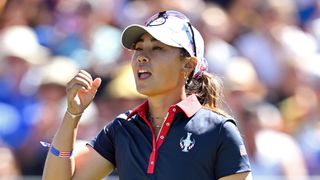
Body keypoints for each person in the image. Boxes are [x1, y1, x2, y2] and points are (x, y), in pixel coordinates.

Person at [43, 10, 252, 180]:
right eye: (139, 48)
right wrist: (72, 115)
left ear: (188, 65)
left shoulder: (218, 130)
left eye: (157, 48)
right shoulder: (123, 129)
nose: (142, 57)